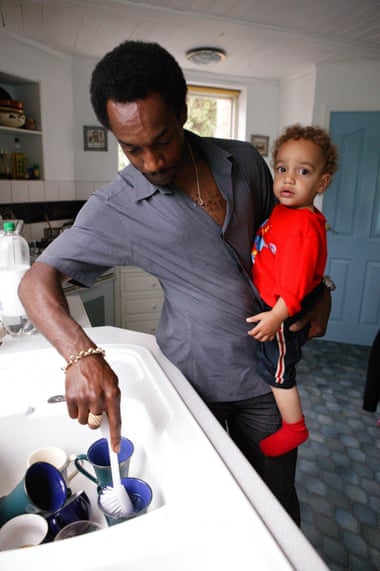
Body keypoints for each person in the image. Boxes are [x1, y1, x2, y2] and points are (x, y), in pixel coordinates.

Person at [18, 40, 331, 525]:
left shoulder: (244, 161)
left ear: (184, 112)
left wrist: (320, 292)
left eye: (161, 140)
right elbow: (36, 281)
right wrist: (81, 354)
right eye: (131, 149)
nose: (151, 162)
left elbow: (289, 240)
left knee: (276, 498)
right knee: (204, 500)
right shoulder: (116, 207)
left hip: (264, 377)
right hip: (192, 381)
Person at [246, 125, 338, 457]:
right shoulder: (285, 211)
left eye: (303, 172)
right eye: (283, 169)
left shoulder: (302, 228)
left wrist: (276, 318)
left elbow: (295, 285)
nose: (288, 179)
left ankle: (294, 427)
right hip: (273, 305)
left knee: (279, 371)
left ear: (322, 183)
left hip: (283, 313)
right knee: (271, 364)